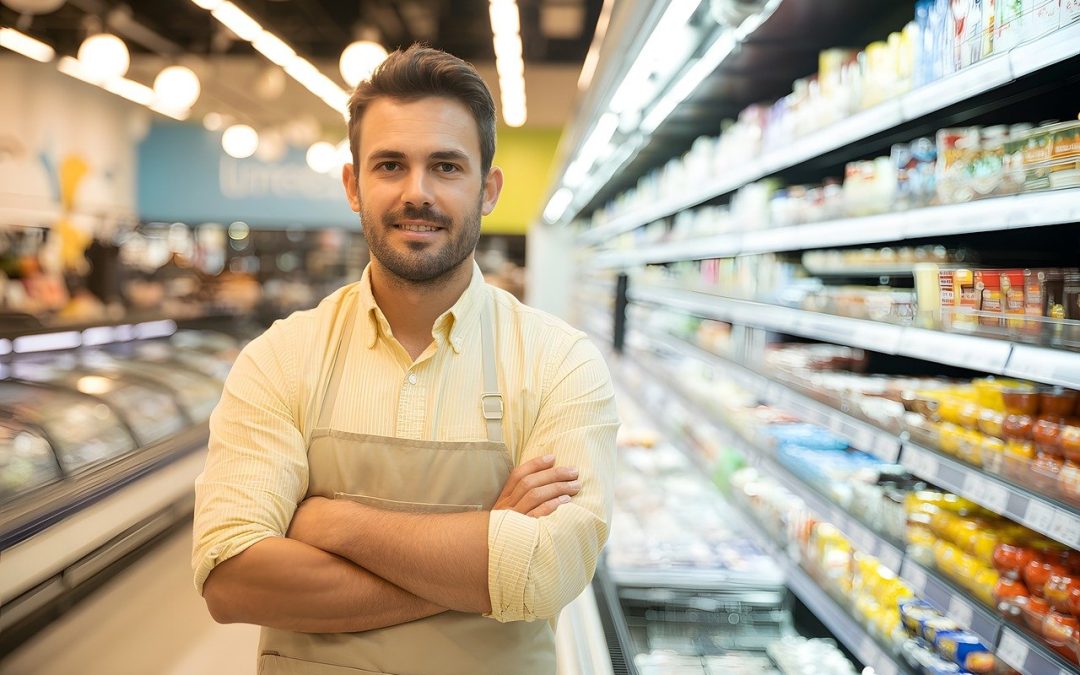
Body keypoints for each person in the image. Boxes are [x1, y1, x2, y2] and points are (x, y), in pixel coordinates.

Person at [191, 44, 619, 675]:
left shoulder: (561, 363)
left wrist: (331, 524)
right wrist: (483, 558)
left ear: (488, 188)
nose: (416, 193)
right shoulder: (280, 358)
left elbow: (549, 569)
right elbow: (232, 581)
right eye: (390, 165)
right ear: (353, 185)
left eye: (446, 166)